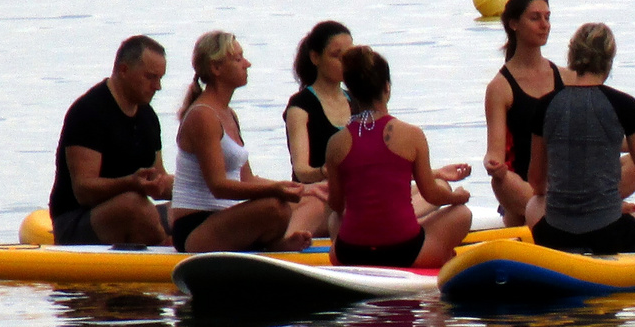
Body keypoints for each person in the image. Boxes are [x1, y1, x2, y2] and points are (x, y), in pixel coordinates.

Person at [484, 0, 635, 226]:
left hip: (571, 185)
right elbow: (495, 152)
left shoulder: (567, 77)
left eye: (547, 17)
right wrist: (493, 165)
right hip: (530, 187)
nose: (544, 25)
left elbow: (590, 134)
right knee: (502, 181)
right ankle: (596, 210)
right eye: (535, 18)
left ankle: (593, 207)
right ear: (514, 24)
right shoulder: (500, 87)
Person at [526, 23, 635, 254]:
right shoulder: (625, 105)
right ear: (609, 59)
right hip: (609, 237)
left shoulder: (545, 105)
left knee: (534, 204)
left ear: (572, 56)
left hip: (553, 236)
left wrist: (568, 205)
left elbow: (536, 180)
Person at [170, 31, 325, 253]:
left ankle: (271, 245)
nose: (247, 64)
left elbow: (247, 178)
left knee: (306, 202)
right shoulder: (203, 116)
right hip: (195, 227)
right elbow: (219, 187)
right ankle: (270, 246)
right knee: (275, 207)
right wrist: (276, 190)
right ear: (216, 68)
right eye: (238, 59)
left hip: (223, 218)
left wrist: (303, 189)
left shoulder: (229, 114)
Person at [323, 47, 473, 267]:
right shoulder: (412, 135)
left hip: (349, 254)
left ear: (351, 93)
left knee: (335, 219)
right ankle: (440, 258)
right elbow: (431, 195)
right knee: (462, 214)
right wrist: (457, 197)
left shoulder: (335, 143)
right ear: (387, 88)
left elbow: (336, 204)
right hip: (404, 252)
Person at [49, 35, 174, 246]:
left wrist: (203, 189)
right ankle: (168, 251)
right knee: (134, 205)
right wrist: (131, 183)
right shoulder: (88, 112)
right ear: (124, 70)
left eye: (160, 78)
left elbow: (159, 177)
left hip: (129, 210)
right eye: (150, 77)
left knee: (183, 209)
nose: (157, 86)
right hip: (76, 220)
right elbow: (83, 191)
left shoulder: (148, 116)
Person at [283, 20, 353, 184]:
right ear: (315, 57)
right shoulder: (301, 106)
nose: (345, 62)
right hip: (317, 192)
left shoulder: (358, 100)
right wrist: (326, 171)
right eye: (336, 56)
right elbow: (301, 171)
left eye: (349, 56)